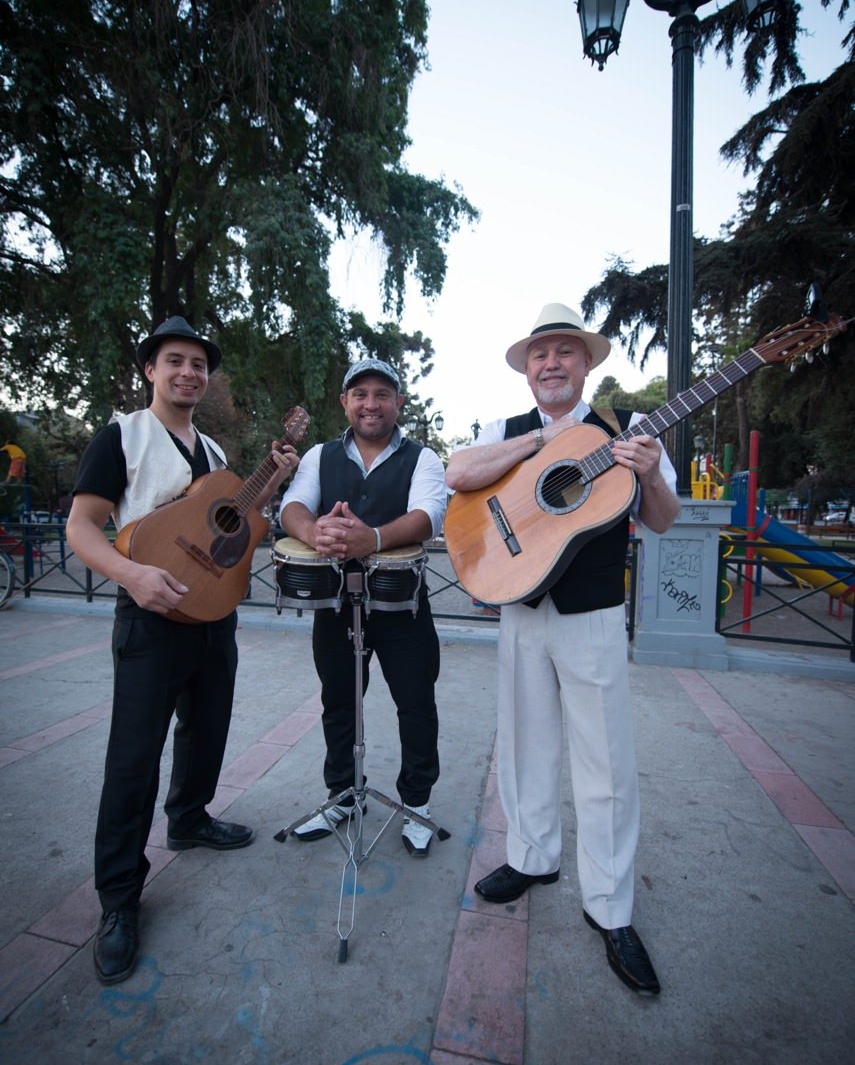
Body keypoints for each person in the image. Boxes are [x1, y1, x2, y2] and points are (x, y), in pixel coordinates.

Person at [445, 304, 680, 996]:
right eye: (539, 354)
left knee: (604, 761)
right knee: (524, 744)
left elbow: (661, 521)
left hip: (593, 616)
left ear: (586, 364)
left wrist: (651, 477)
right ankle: (531, 856)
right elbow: (459, 474)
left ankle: (611, 909)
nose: (550, 363)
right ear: (527, 370)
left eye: (564, 353)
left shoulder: (628, 431)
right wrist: (535, 449)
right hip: (523, 608)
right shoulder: (503, 432)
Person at [66, 316, 299, 985]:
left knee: (207, 728)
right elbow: (83, 526)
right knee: (133, 759)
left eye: (199, 365)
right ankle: (118, 900)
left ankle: (190, 818)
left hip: (212, 617)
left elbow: (235, 530)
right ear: (150, 370)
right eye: (175, 361)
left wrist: (272, 483)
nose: (188, 373)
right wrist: (132, 574)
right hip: (149, 614)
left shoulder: (218, 454)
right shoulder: (123, 436)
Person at [280, 358, 446, 856]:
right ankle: (344, 795)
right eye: (360, 394)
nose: (370, 403)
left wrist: (370, 537)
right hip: (335, 601)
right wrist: (314, 532)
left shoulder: (424, 458)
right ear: (345, 402)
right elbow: (293, 506)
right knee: (339, 700)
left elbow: (428, 516)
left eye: (381, 394)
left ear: (398, 402)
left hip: (402, 604)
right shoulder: (319, 455)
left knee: (415, 703)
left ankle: (417, 802)